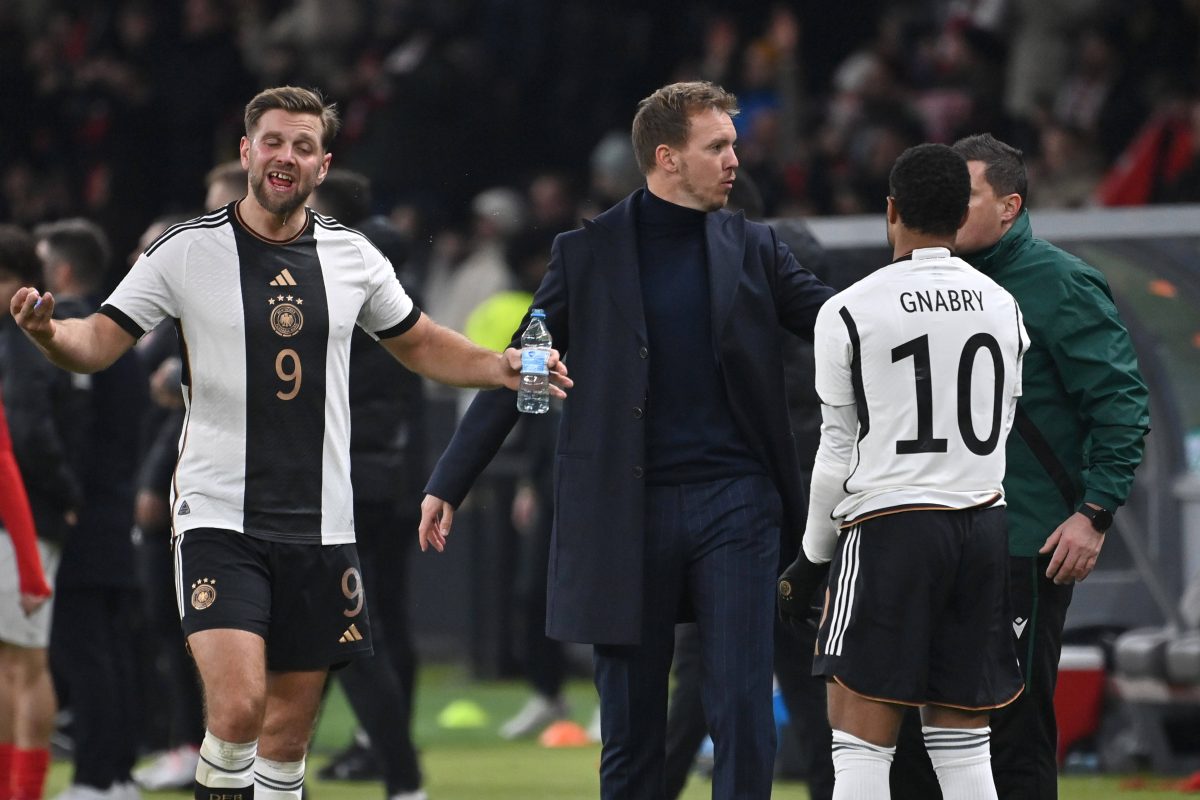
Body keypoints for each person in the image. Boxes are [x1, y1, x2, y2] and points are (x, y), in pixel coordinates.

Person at [9, 85, 569, 800]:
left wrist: (501, 365)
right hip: (218, 518)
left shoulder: (353, 255)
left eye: (303, 146)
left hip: (323, 527)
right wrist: (51, 334)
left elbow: (420, 341)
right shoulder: (186, 250)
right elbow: (97, 341)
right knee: (239, 709)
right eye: (273, 141)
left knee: (286, 739)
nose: (286, 156)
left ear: (322, 165)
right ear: (247, 151)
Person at [420, 80, 834, 800]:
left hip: (738, 503)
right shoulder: (584, 254)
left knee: (741, 707)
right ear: (667, 158)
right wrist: (451, 479)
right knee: (631, 726)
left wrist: (914, 306)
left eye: (733, 144)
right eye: (718, 146)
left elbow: (839, 325)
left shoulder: (757, 245)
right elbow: (526, 366)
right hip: (624, 508)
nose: (735, 159)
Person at [889, 133, 1152, 800]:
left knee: (1011, 728)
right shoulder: (925, 282)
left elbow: (1120, 403)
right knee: (913, 730)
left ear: (1009, 207)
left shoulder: (1060, 283)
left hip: (1020, 540)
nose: (949, 208)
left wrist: (1094, 513)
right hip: (929, 536)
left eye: (967, 195)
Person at [777, 142, 1028, 800]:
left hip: (892, 526)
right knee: (965, 746)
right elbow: (1003, 420)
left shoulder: (849, 309)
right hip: (983, 522)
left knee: (859, 738)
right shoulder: (1002, 304)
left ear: (891, 210)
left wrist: (811, 561)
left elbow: (837, 450)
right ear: (960, 214)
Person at [309, 168, 428, 800]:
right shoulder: (397, 285)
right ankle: (387, 761)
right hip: (385, 479)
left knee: (346, 630)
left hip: (344, 483)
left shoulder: (348, 287)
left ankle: (394, 769)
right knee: (370, 625)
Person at [34, 218, 149, 800]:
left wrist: (65, 497)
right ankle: (118, 773)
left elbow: (69, 428)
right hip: (115, 503)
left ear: (62, 270)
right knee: (110, 646)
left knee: (82, 648)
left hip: (81, 510)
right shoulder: (119, 333)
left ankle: (95, 778)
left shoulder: (70, 331)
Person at [0, 226, 55, 800]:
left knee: (18, 665)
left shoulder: (19, 347)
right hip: (21, 528)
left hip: (20, 530)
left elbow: (15, 453)